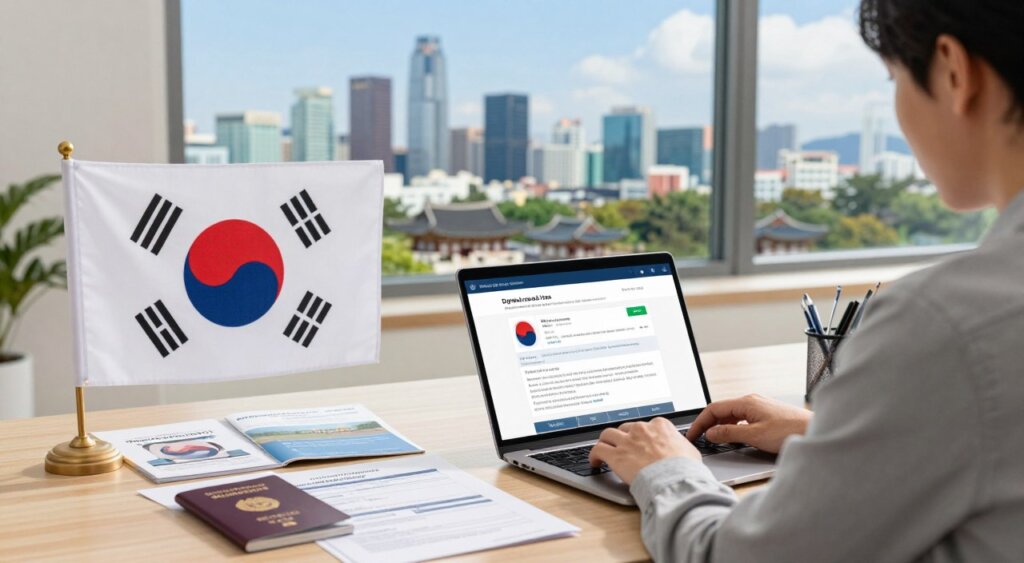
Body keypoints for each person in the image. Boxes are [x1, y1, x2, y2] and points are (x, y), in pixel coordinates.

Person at [588, 1, 1024, 561]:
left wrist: (665, 469)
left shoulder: (945, 324)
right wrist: (831, 435)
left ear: (953, 71)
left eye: (894, 79)